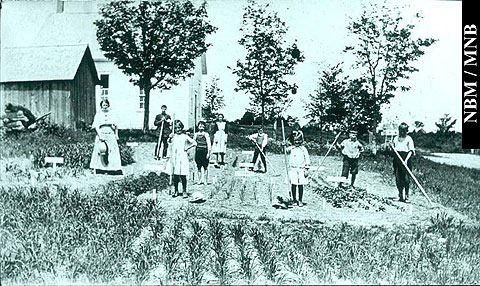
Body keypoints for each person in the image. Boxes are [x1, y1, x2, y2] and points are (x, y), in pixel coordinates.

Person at [90, 99, 122, 175]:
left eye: (106, 105)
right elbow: (96, 126)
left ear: (108, 106)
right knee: (101, 150)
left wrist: (116, 135)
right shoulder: (98, 114)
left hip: (110, 134)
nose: (105, 107)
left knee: (112, 151)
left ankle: (112, 168)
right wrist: (99, 135)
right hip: (101, 133)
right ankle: (100, 168)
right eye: (103, 105)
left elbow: (116, 126)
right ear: (101, 106)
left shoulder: (112, 114)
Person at [167, 120, 197, 198]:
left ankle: (184, 191)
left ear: (182, 128)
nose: (178, 129)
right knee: (176, 175)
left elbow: (194, 143)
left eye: (179, 128)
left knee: (183, 174)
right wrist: (170, 138)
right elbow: (169, 143)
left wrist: (187, 147)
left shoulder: (185, 136)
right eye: (176, 128)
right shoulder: (173, 136)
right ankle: (176, 190)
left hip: (183, 156)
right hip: (175, 156)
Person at [391, 122, 415, 202]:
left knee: (406, 179)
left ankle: (407, 195)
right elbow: (393, 149)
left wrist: (406, 160)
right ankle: (400, 195)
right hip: (397, 158)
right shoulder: (395, 138)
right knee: (398, 178)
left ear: (406, 131)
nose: (402, 132)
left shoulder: (409, 138)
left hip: (406, 158)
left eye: (404, 130)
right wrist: (390, 147)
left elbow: (411, 151)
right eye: (400, 130)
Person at [285, 133, 310, 207]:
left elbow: (307, 159)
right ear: (293, 141)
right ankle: (294, 199)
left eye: (299, 140)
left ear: (301, 141)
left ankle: (300, 200)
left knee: (300, 185)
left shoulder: (303, 149)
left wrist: (306, 169)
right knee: (293, 184)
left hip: (301, 169)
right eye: (295, 140)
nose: (297, 142)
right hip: (293, 169)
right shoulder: (291, 148)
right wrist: (284, 144)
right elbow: (286, 150)